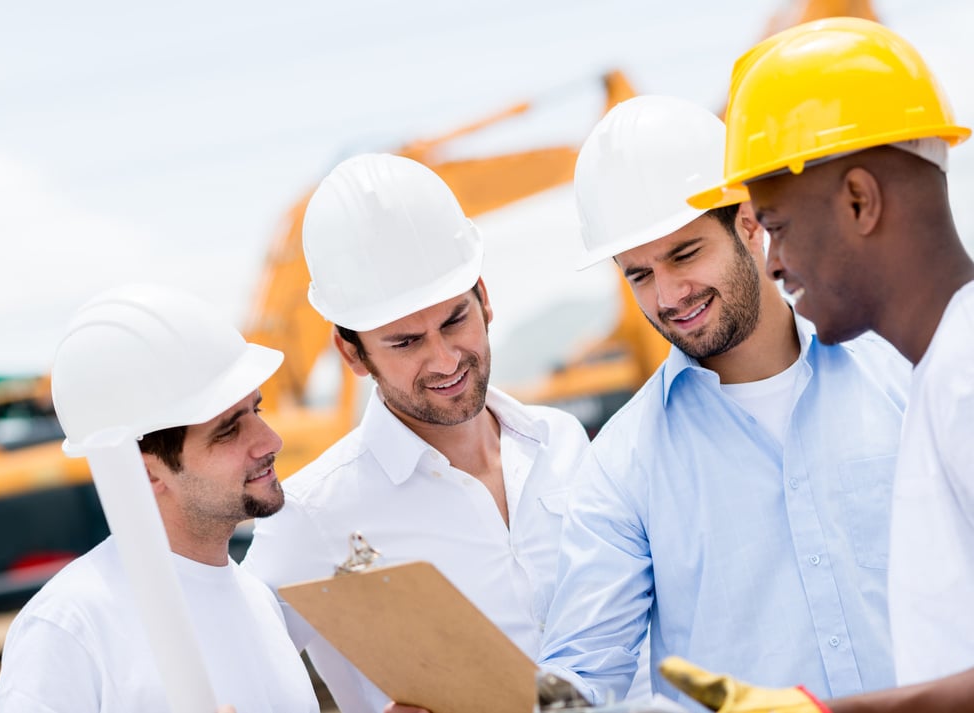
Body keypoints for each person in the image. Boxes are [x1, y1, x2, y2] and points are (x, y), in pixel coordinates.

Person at [535, 94, 911, 710]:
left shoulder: (898, 371)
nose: (669, 294)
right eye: (639, 274)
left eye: (685, 254)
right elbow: (579, 677)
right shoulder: (622, 465)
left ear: (749, 223)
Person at [657, 16, 974, 713]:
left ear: (860, 201)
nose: (770, 262)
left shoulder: (964, 376)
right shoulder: (937, 375)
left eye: (776, 225)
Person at [241, 153, 592, 713]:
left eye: (455, 319)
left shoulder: (562, 442)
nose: (445, 358)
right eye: (405, 342)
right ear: (351, 353)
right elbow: (233, 683)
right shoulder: (314, 515)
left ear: (485, 297)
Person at [0, 283, 320, 713]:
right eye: (228, 429)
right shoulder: (70, 627)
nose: (270, 441)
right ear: (142, 472)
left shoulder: (257, 600)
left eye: (255, 411)